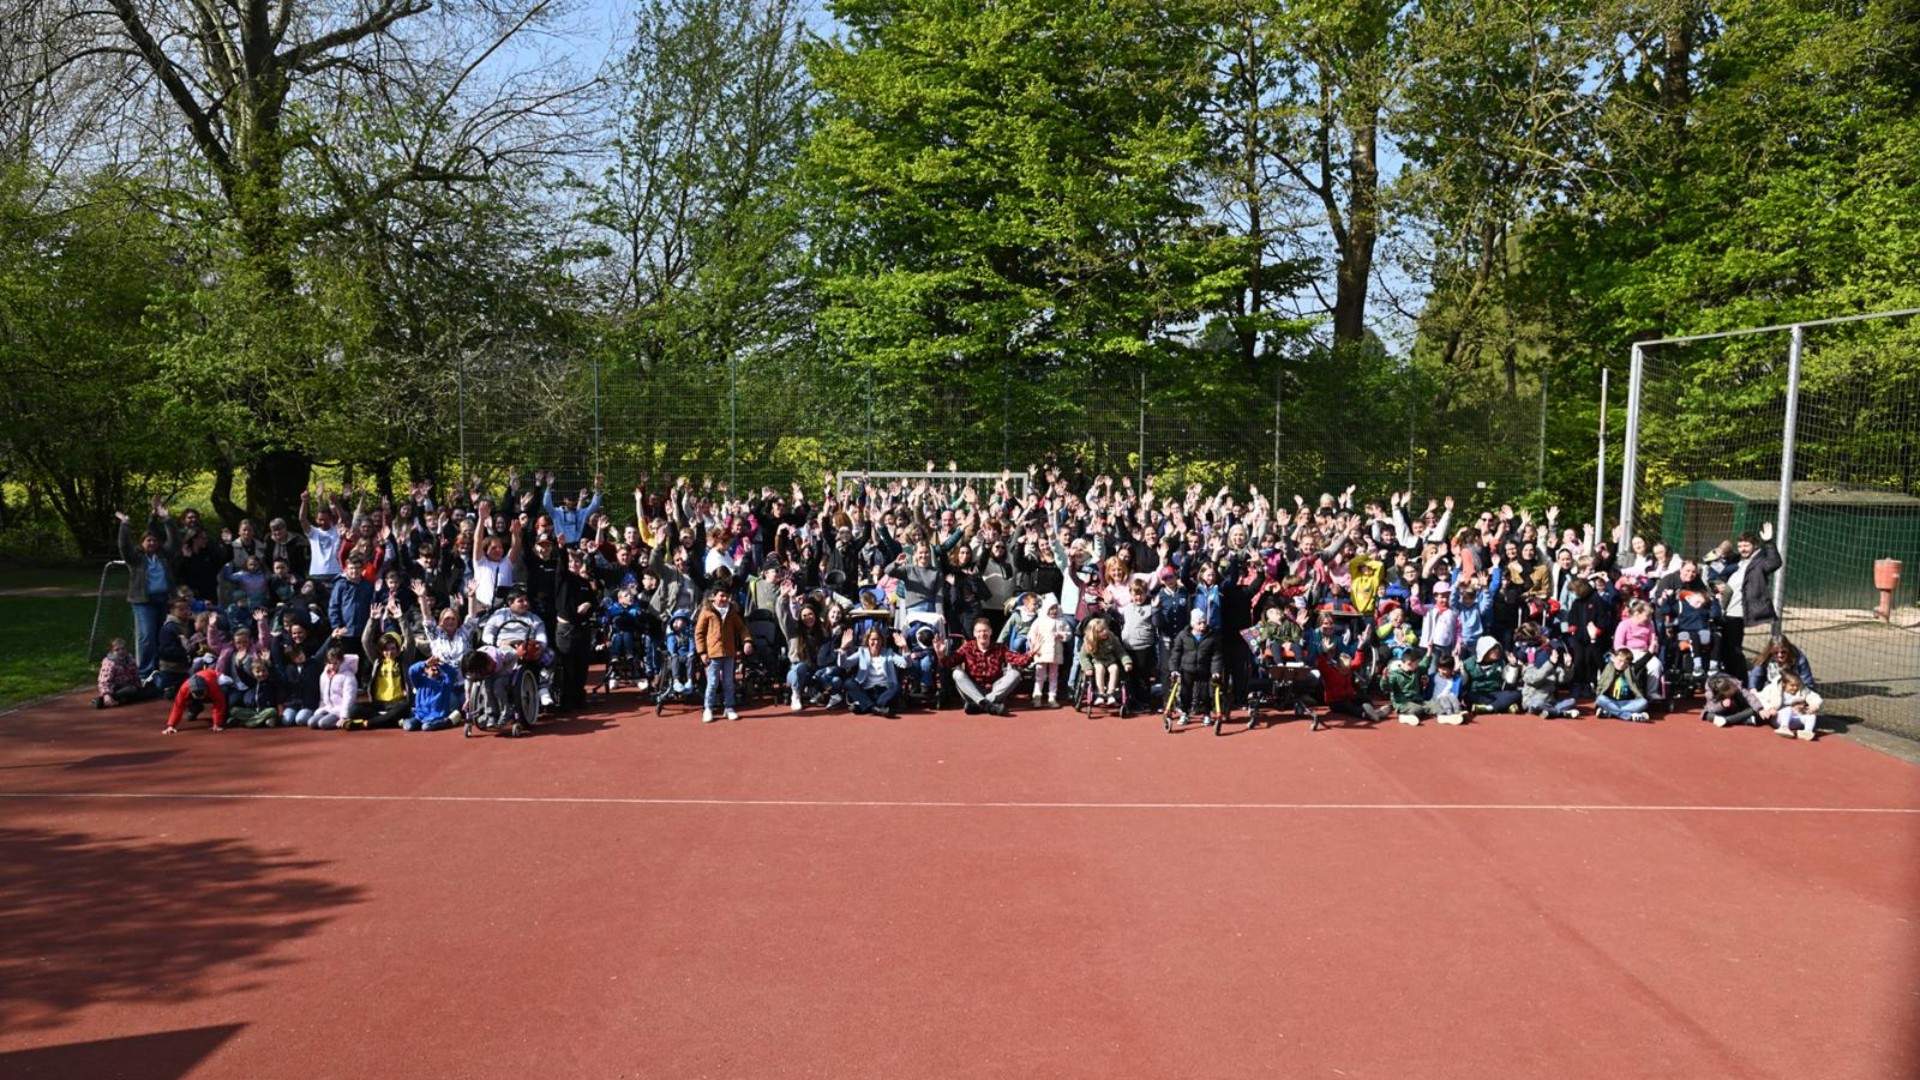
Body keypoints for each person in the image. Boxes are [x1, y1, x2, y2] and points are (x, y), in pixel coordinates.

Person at [116, 499, 180, 683]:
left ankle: (161, 670)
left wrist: (166, 518)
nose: (151, 543)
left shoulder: (163, 556)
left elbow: (175, 541)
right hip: (143, 602)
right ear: (142, 543)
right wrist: (125, 525)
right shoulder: (136, 559)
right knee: (146, 637)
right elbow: (124, 546)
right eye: (147, 540)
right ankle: (144, 673)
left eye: (154, 540)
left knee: (163, 636)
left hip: (163, 600)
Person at [937, 616, 1033, 715]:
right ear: (974, 633)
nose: (982, 634)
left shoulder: (1000, 648)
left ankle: (979, 705)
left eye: (985, 631)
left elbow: (1018, 660)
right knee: (957, 673)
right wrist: (941, 655)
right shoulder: (967, 647)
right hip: (973, 690)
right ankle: (988, 705)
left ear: (991, 632)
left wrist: (1031, 653)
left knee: (1015, 674)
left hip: (994, 690)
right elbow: (950, 662)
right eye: (979, 631)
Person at [694, 586, 750, 722]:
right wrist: (702, 652)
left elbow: (742, 628)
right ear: (713, 596)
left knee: (729, 683)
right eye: (722, 596)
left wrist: (747, 641)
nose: (724, 599)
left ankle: (729, 707)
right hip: (713, 654)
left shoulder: (732, 613)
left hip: (729, 653)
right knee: (712, 683)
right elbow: (699, 633)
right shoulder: (707, 612)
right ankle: (708, 708)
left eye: (727, 596)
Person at [1166, 609, 1223, 724]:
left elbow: (1216, 656)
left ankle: (1206, 713)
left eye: (1204, 623)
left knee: (1205, 693)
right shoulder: (1183, 635)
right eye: (1199, 623)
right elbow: (1176, 653)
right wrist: (1174, 669)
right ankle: (1185, 712)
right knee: (1185, 693)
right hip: (1187, 669)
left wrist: (1215, 671)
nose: (1202, 626)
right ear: (1193, 624)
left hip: (1204, 669)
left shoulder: (1212, 637)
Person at [839, 625, 907, 717]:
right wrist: (843, 648)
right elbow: (844, 664)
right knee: (849, 683)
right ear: (867, 640)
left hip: (884, 692)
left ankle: (866, 706)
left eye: (878, 639)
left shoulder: (889, 653)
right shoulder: (862, 652)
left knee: (897, 687)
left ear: (882, 641)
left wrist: (905, 647)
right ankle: (875, 709)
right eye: (873, 639)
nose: (876, 642)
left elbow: (906, 664)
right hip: (866, 691)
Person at [1028, 598, 1071, 707]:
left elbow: (1069, 633)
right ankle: (1037, 696)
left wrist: (1062, 635)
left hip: (1056, 652)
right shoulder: (1039, 620)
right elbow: (1031, 634)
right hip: (1042, 651)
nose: (1054, 611)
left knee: (1053, 675)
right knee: (1040, 675)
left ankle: (1052, 697)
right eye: (1051, 608)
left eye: (1055, 608)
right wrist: (1034, 646)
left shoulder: (1062, 621)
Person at [94, 638, 160, 709]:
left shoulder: (130, 661)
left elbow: (136, 676)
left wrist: (139, 687)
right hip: (115, 689)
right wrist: (106, 694)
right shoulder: (110, 663)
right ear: (112, 651)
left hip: (129, 687)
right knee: (131, 690)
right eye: (117, 650)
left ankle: (122, 700)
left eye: (123, 649)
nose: (121, 651)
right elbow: (103, 681)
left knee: (151, 691)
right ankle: (104, 700)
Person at [1079, 617, 1130, 706]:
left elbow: (1120, 651)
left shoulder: (1112, 638)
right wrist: (1087, 668)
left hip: (1110, 661)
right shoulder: (1089, 641)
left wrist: (1126, 662)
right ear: (1094, 633)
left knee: (1114, 668)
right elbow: (1083, 657)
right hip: (1097, 661)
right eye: (1101, 631)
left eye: (1105, 629)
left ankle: (1111, 693)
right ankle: (1101, 693)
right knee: (1099, 668)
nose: (1105, 632)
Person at [405, 654, 463, 731]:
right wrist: (425, 663)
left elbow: (452, 673)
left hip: (437, 716)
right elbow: (411, 671)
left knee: (426, 727)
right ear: (425, 670)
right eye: (431, 667)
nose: (435, 669)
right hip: (420, 716)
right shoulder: (420, 681)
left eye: (437, 668)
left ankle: (449, 721)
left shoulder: (445, 683)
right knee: (408, 725)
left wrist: (441, 664)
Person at [162, 669, 229, 734]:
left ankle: (228, 712)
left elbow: (219, 703)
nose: (200, 696)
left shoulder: (212, 685)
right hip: (200, 692)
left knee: (224, 689)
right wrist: (171, 726)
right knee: (185, 700)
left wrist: (216, 724)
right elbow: (178, 706)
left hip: (216, 678)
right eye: (197, 694)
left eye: (201, 693)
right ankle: (196, 707)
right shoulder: (184, 689)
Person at [1594, 649, 1651, 723]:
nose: (1621, 664)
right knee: (1600, 699)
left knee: (1643, 702)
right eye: (1619, 660)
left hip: (1627, 703)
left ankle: (1611, 713)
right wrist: (1593, 641)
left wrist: (1651, 652)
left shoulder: (1631, 670)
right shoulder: (1606, 667)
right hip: (1610, 701)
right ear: (1614, 658)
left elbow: (1642, 662)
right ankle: (1629, 716)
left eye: (1625, 663)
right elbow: (1596, 656)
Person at [1761, 672, 1821, 741]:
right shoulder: (1772, 688)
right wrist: (1769, 708)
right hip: (1778, 719)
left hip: (1795, 718)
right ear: (1784, 684)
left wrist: (1815, 705)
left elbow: (1814, 697)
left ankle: (1807, 732)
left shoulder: (1802, 690)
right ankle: (1784, 728)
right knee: (1788, 709)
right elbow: (1761, 698)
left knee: (1811, 715)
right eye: (1792, 685)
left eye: (1797, 685)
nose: (1795, 688)